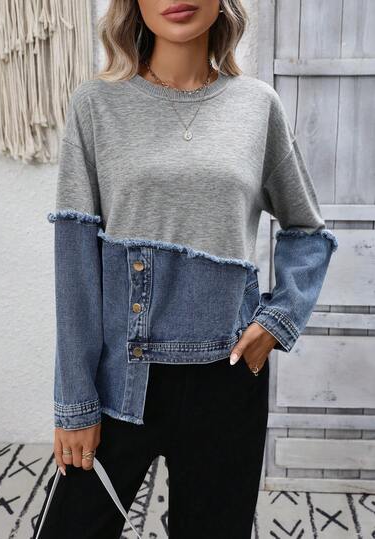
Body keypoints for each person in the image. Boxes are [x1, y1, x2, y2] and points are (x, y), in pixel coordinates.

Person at [33, 1, 338, 537]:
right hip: (120, 385)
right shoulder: (96, 105)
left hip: (228, 381)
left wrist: (277, 321)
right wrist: (75, 403)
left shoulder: (257, 106)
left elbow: (307, 231)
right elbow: (76, 264)